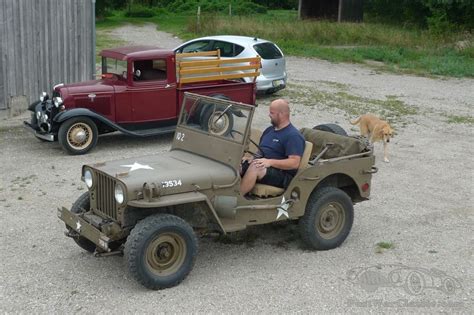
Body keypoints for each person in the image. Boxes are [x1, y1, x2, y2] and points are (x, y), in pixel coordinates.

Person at [240, 99, 305, 195]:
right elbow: (262, 150)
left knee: (256, 167)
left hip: (282, 174)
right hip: (264, 166)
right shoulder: (269, 130)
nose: (269, 115)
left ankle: (237, 199)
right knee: (236, 162)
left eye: (272, 113)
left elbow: (294, 163)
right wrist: (251, 158)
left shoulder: (293, 136)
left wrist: (270, 162)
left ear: (281, 114)